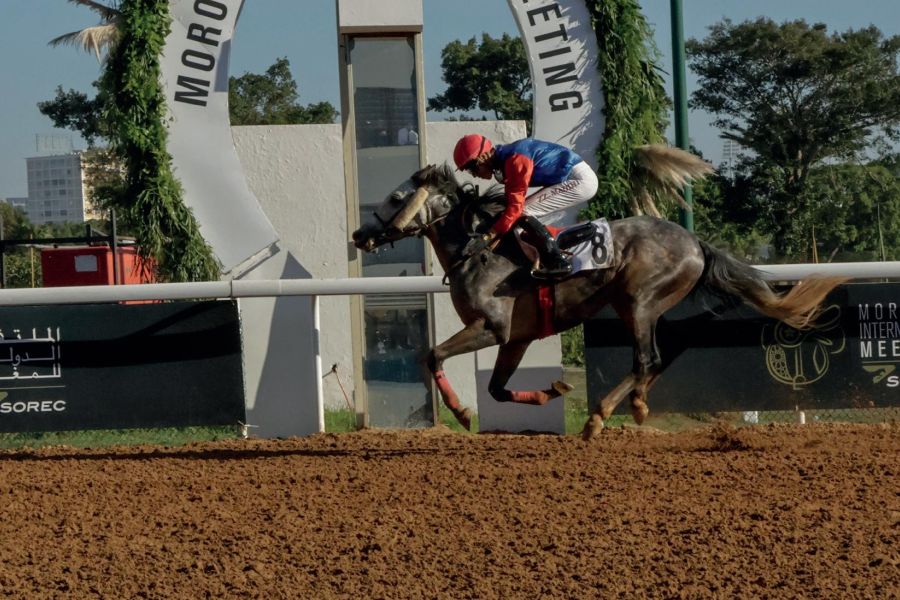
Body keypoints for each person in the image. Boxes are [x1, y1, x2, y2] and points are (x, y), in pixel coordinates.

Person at [452, 134, 599, 280]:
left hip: (578, 180)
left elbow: (514, 208)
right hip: (571, 178)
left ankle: (558, 261)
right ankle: (558, 240)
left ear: (482, 157)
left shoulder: (515, 160)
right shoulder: (506, 161)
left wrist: (488, 235)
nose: (474, 175)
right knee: (518, 215)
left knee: (521, 212)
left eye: (472, 168)